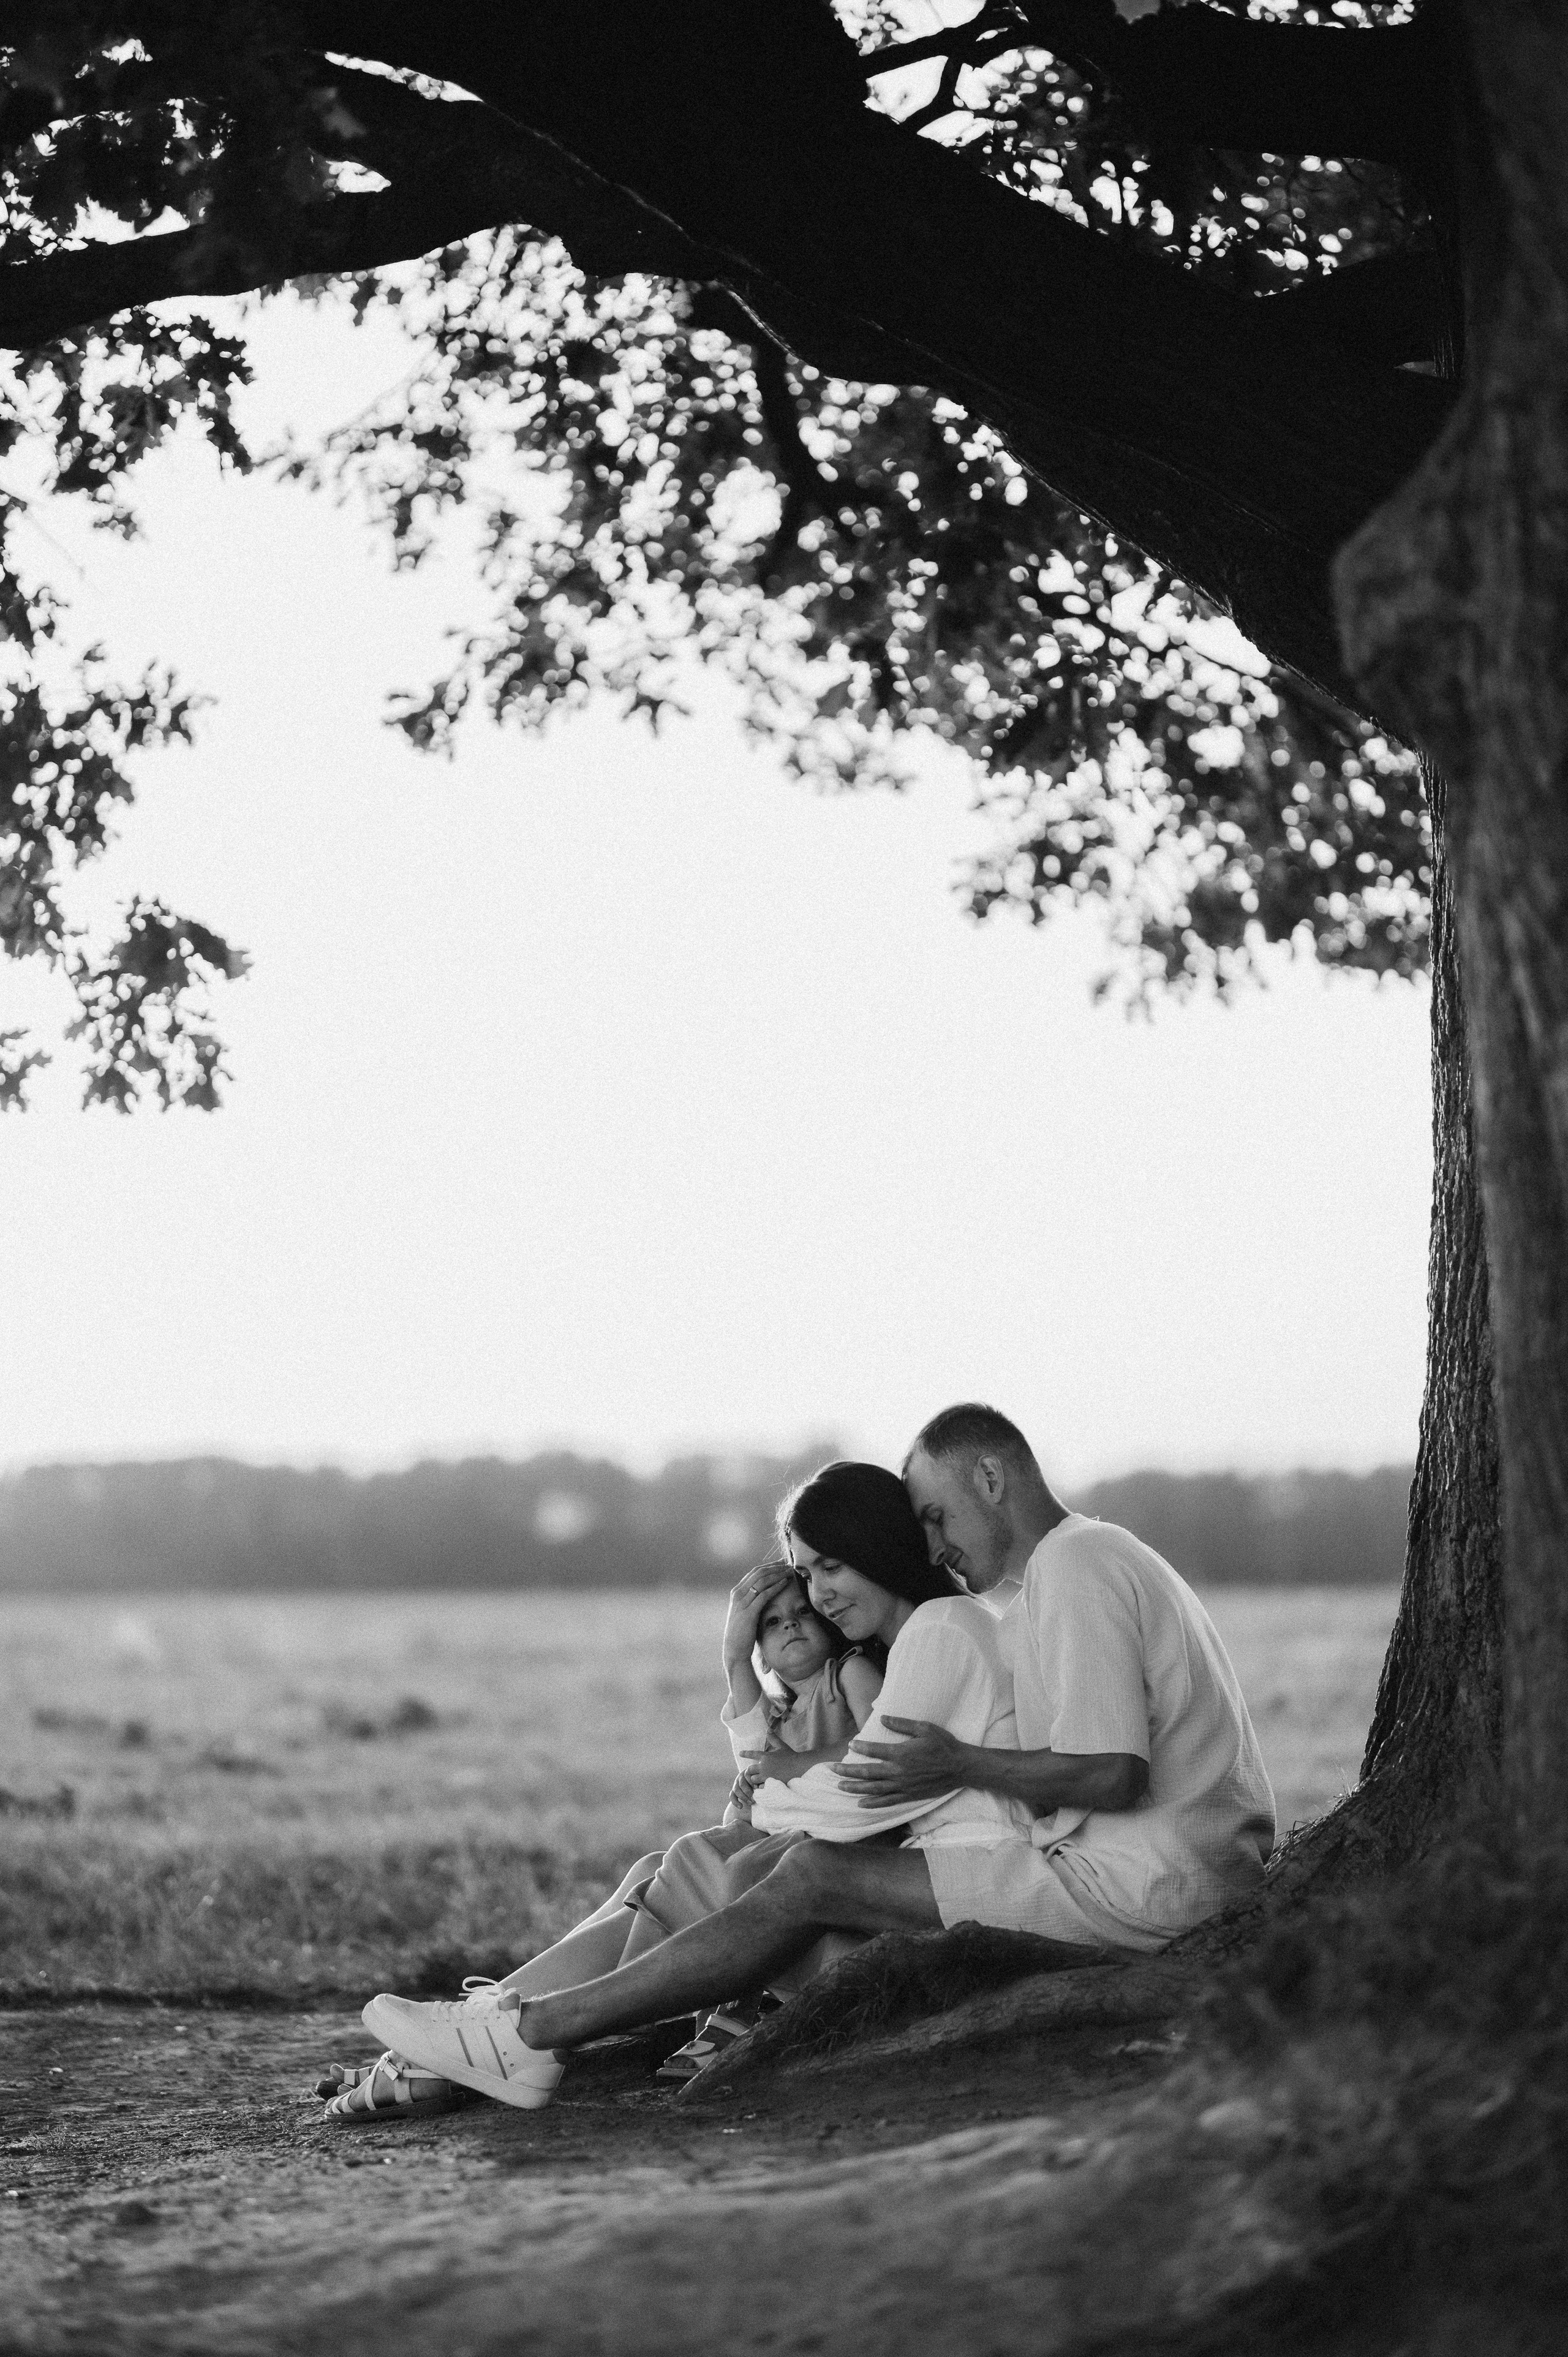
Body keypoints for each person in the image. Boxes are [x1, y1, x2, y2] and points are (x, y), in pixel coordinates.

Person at [356, 1460, 1046, 2110]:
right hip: (898, 1892)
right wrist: (737, 1678)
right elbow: (822, 1786)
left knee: (696, 1858)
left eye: (832, 1564)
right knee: (673, 1864)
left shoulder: (941, 1629)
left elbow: (866, 1790)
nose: (820, 1592)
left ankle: (503, 2032)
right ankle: (481, 2032)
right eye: (807, 1572)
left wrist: (762, 1790)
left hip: (947, 1909)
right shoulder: (902, 1647)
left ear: (877, 1544)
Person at [854, 1401, 1276, 1952]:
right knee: (854, 1869)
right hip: (1151, 1880)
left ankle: (727, 2028)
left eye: (936, 1518)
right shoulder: (1070, 1569)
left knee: (813, 1876)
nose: (934, 1551)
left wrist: (958, 1763)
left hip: (1147, 1895)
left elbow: (1112, 1775)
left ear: (989, 1478)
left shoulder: (1075, 1563)